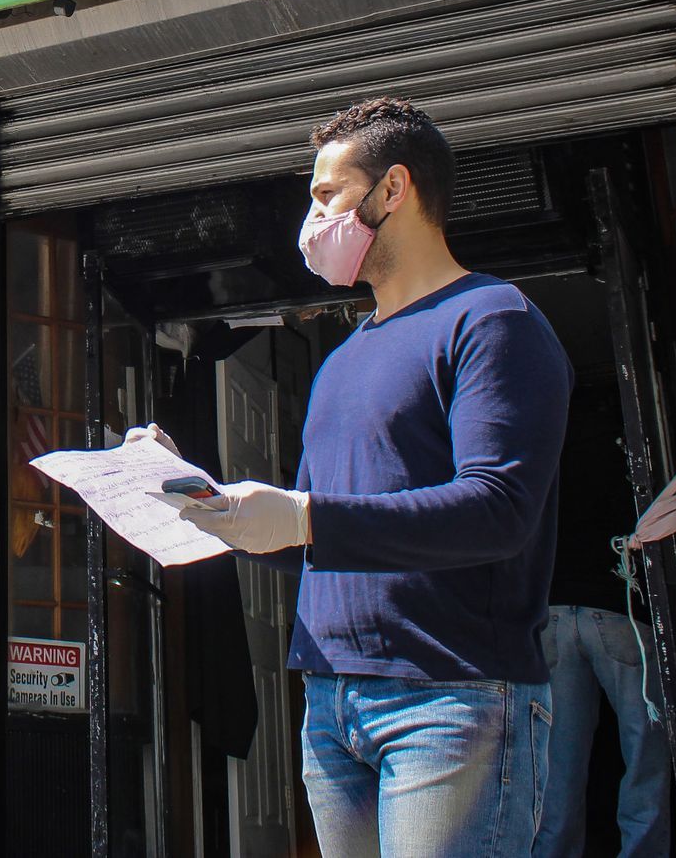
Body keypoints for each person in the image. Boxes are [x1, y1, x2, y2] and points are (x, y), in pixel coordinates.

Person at [135, 97, 572, 857]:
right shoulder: (343, 359)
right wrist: (207, 503)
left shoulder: (493, 320)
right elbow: (313, 535)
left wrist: (303, 517)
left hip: (451, 696)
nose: (311, 218)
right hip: (330, 700)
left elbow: (500, 508)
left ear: (393, 189)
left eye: (326, 195)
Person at [537, 388, 670, 857]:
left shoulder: (538, 451)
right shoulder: (630, 449)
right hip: (619, 611)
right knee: (645, 754)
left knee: (558, 764)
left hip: (552, 613)